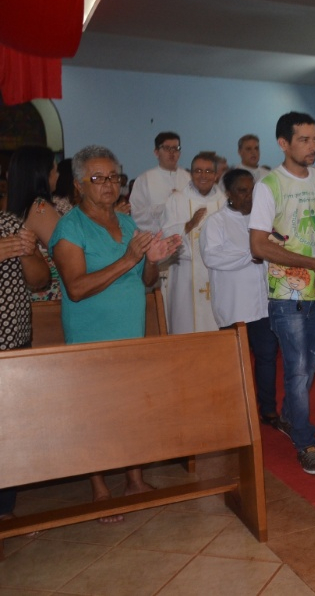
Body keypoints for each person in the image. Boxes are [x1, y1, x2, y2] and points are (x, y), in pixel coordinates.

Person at [50, 145, 181, 522]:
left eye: (114, 177)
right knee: (96, 414)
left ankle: (134, 480)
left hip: (130, 332)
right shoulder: (70, 229)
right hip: (91, 335)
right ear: (78, 185)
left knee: (130, 410)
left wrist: (152, 261)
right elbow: (75, 288)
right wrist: (127, 258)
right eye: (98, 178)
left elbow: (146, 281)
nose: (108, 185)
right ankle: (99, 488)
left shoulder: (126, 225)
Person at [249, 111, 315, 475]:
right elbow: (258, 246)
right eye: (303, 140)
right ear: (283, 143)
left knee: (307, 368)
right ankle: (306, 441)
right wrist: (313, 263)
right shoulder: (269, 185)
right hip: (286, 294)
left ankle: (289, 415)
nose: (312, 147)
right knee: (299, 368)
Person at [199, 168, 283, 435]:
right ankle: (233, 411)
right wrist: (252, 253)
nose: (248, 197)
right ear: (229, 193)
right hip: (235, 305)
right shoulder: (216, 222)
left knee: (268, 357)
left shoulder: (262, 220)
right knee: (235, 363)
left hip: (263, 304)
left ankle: (268, 409)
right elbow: (213, 257)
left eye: (251, 190)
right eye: (241, 191)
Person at [0, 201, 50, 525]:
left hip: (14, 340)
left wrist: (27, 252)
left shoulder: (8, 222)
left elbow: (40, 280)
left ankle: (5, 509)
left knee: (9, 431)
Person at [161, 152, 226, 334]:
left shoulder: (224, 202)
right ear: (191, 173)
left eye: (208, 171)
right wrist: (188, 226)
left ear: (215, 175)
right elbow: (165, 234)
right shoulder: (177, 200)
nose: (203, 175)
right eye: (198, 170)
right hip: (184, 274)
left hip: (216, 275)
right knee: (185, 327)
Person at [4, 145, 67, 301]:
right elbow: (66, 250)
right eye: (55, 169)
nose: (58, 175)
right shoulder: (40, 208)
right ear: (43, 174)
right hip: (51, 294)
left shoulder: (13, 203)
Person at [129, 132, 190, 234]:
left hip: (185, 239)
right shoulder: (144, 180)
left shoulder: (188, 178)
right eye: (167, 148)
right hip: (157, 240)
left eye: (176, 148)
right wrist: (164, 207)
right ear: (156, 152)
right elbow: (136, 214)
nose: (172, 153)